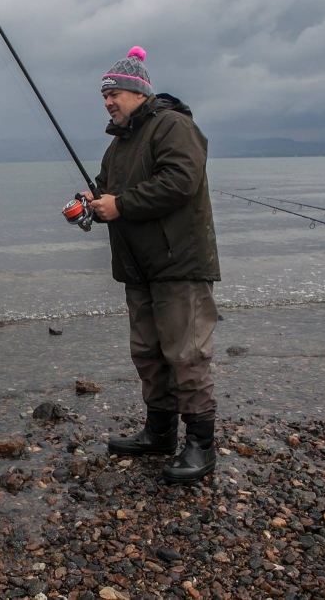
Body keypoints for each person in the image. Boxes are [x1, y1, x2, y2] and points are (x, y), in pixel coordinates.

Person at [80, 46, 221, 484]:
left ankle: (200, 444)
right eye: (104, 94)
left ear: (139, 92)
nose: (108, 101)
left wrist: (120, 205)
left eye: (115, 93)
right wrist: (89, 202)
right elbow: (105, 188)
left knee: (186, 353)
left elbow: (180, 181)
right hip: (137, 267)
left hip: (178, 262)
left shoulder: (174, 126)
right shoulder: (118, 144)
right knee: (148, 352)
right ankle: (159, 432)